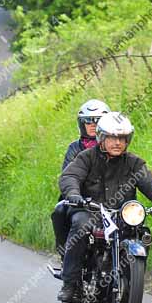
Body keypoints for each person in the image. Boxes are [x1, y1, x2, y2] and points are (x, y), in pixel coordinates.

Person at [57, 112, 152, 302]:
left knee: (143, 234)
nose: (117, 142)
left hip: (121, 215)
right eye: (112, 137)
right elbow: (70, 177)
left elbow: (150, 182)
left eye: (121, 138)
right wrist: (74, 195)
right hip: (90, 210)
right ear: (102, 138)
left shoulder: (133, 162)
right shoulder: (86, 157)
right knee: (81, 226)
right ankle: (70, 283)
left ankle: (131, 291)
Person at [51, 99, 111, 257]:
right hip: (81, 201)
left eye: (97, 121)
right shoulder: (74, 148)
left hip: (110, 201)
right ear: (81, 124)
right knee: (59, 212)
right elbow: (68, 175)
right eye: (88, 121)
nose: (93, 124)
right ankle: (66, 254)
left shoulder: (115, 147)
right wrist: (75, 194)